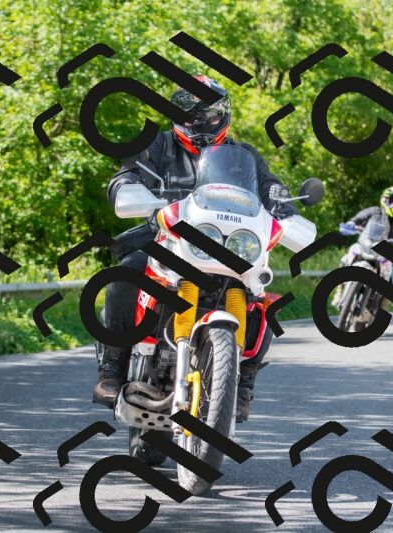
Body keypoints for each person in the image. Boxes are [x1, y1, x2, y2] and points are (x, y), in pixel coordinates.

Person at [93, 75, 297, 423]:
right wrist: (126, 187)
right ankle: (113, 367)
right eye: (190, 115)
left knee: (264, 301)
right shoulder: (157, 146)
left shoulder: (244, 156)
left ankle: (243, 384)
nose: (200, 121)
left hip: (230, 245)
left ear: (223, 115)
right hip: (168, 240)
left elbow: (272, 190)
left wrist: (287, 209)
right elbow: (126, 175)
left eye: (209, 114)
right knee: (126, 272)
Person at [332, 186, 393, 312]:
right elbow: (359, 218)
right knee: (345, 258)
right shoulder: (374, 211)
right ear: (383, 200)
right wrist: (351, 224)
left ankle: (384, 303)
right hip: (366, 245)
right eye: (390, 200)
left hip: (387, 254)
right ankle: (340, 290)